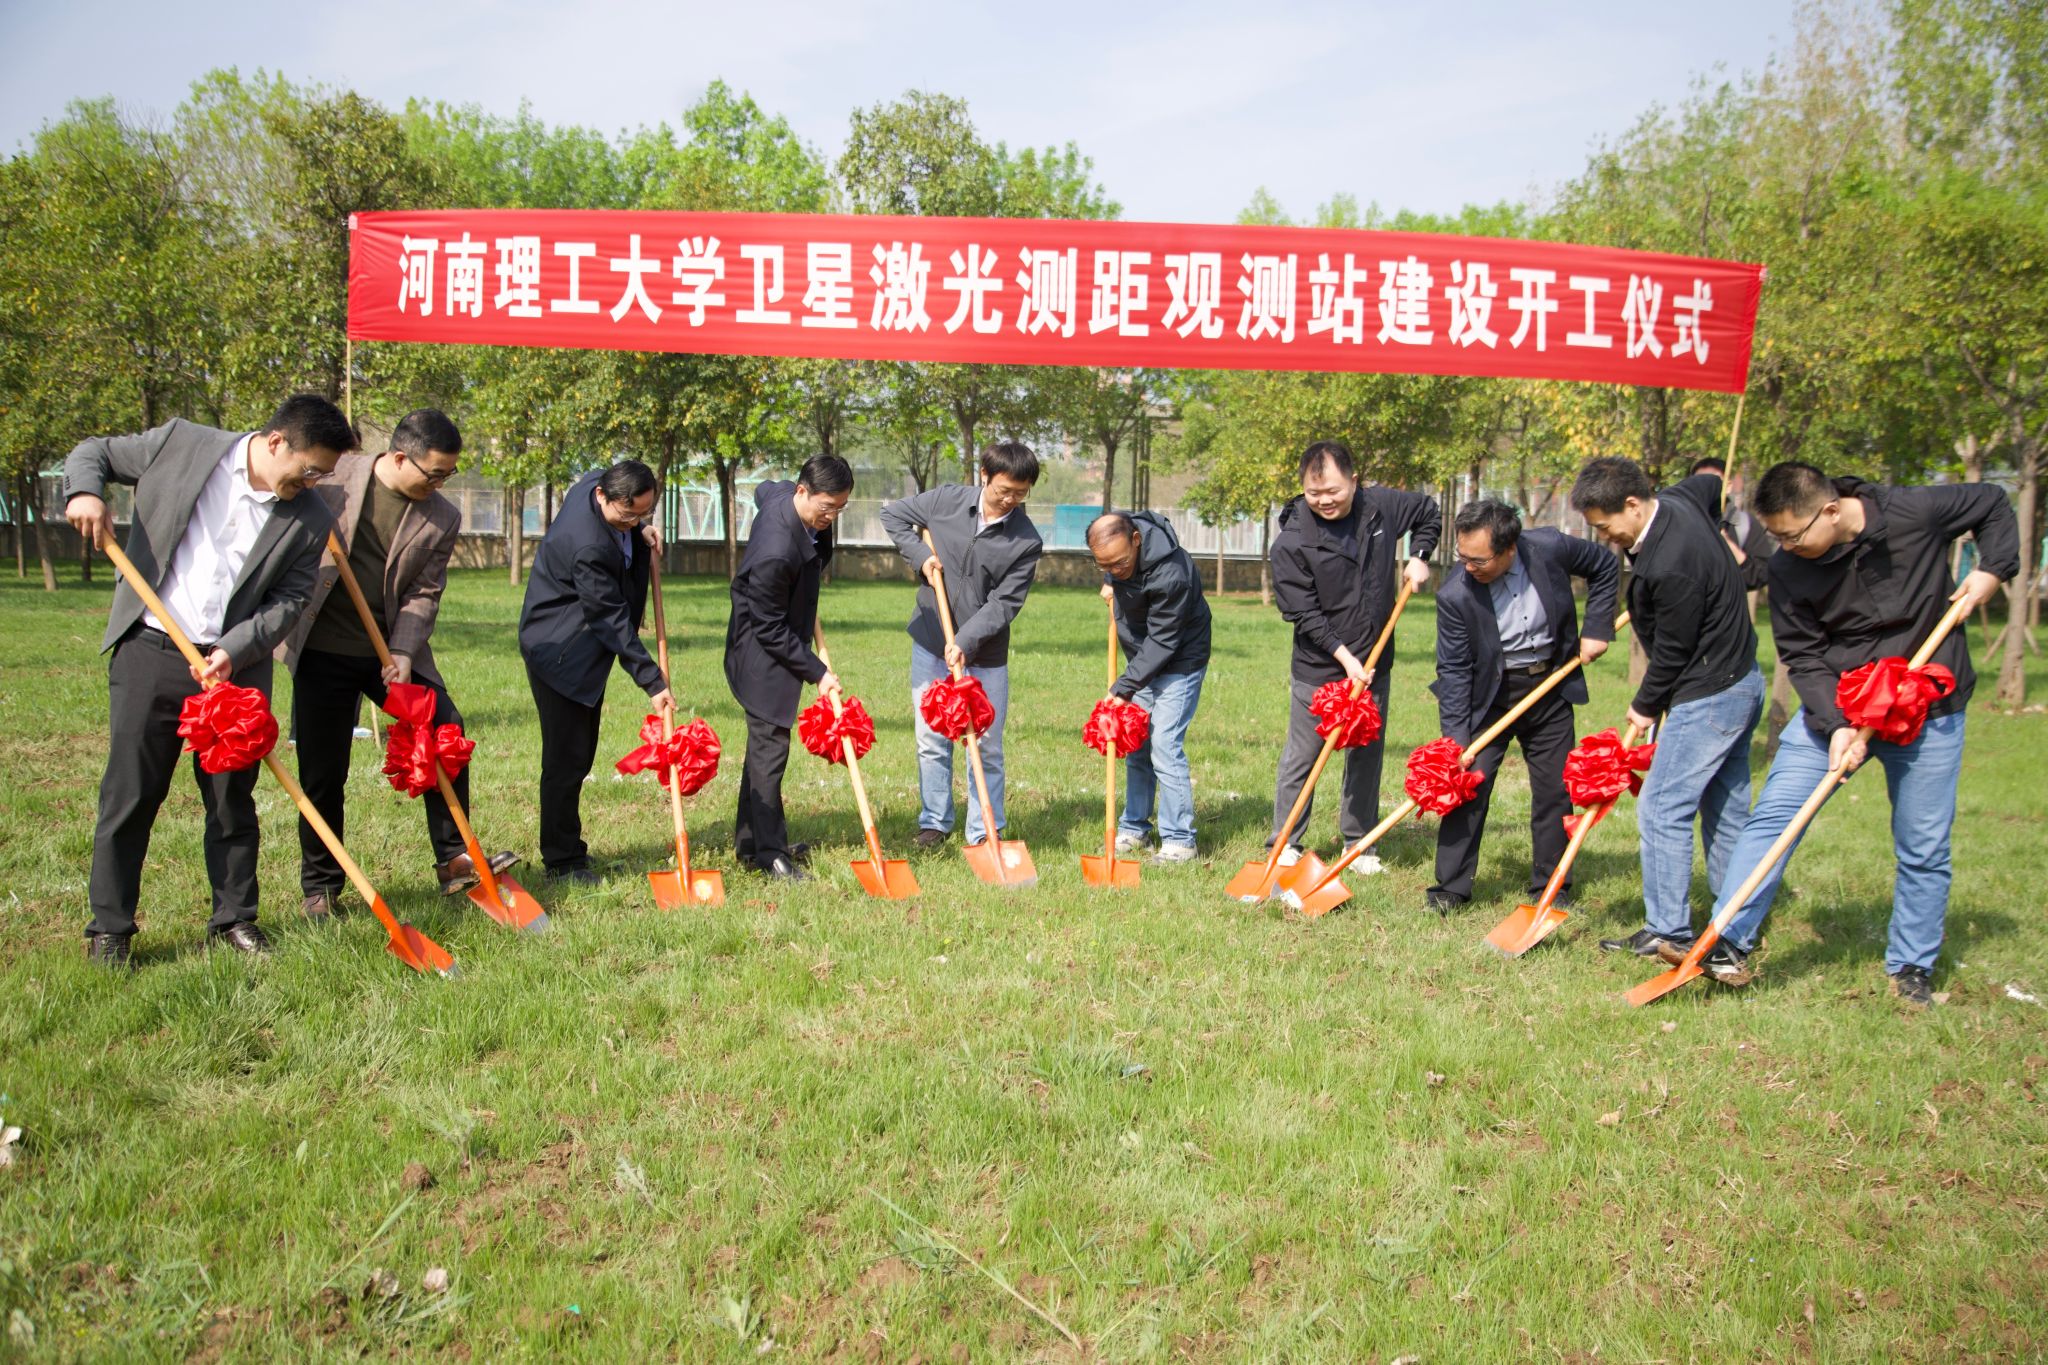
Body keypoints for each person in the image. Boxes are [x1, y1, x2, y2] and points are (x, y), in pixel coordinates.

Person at [1668, 461, 2015, 1006]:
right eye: (1775, 536)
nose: (1783, 547)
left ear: (1831, 510)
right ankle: (1726, 939)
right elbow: (1804, 655)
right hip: (1840, 707)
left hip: (1929, 705)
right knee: (1774, 817)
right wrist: (1834, 725)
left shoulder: (1914, 512)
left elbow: (1992, 501)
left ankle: (1912, 964)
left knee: (1922, 844)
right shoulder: (1788, 568)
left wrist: (1993, 568)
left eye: (1791, 534)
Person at [62, 395, 354, 966]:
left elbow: (292, 598)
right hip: (152, 648)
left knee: (230, 802)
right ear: (276, 443)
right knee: (131, 793)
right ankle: (110, 927)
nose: (315, 481)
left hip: (234, 669)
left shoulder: (311, 515)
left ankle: (234, 919)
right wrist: (86, 491)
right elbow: (92, 452)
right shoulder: (183, 443)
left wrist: (234, 648)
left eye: (323, 473)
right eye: (310, 468)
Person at [280, 409, 517, 920]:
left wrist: (405, 652)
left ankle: (454, 858)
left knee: (445, 731)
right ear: (398, 456)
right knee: (323, 769)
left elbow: (424, 591)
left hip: (387, 653)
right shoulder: (332, 477)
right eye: (433, 473)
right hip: (322, 647)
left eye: (448, 475)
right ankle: (321, 887)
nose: (440, 484)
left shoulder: (441, 516)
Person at [1570, 457, 1763, 958]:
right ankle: (1733, 924)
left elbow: (1674, 651)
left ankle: (1669, 930)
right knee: (1724, 806)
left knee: (1661, 807)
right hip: (1742, 677)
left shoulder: (1669, 564)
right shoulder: (1681, 498)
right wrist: (1718, 509)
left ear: (1633, 504)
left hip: (1711, 693)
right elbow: (1709, 483)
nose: (1606, 536)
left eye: (1606, 525)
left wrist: (1644, 705)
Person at [1427, 499, 1620, 913]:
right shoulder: (1455, 595)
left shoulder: (1549, 547)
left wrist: (1598, 627)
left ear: (1509, 548)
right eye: (1462, 556)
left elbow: (1605, 565)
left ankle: (1552, 887)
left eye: (1478, 559)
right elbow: (1455, 671)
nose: (1468, 567)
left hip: (1549, 685)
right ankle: (1450, 888)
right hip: (1489, 697)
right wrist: (1456, 743)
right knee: (1469, 786)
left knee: (1554, 791)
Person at [1267, 440, 1439, 869]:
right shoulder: (1291, 542)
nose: (1324, 501)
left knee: (1365, 755)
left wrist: (1419, 556)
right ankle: (1285, 840)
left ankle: (1359, 842)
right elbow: (1302, 613)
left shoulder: (1379, 507)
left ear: (1355, 482)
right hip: (1319, 667)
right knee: (1303, 757)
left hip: (1375, 661)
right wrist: (1345, 659)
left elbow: (1428, 512)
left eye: (1334, 491)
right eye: (1314, 493)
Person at [879, 442, 1044, 850]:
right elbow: (893, 514)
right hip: (931, 638)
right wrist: (919, 555)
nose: (1009, 500)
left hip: (985, 654)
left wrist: (966, 642)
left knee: (985, 743)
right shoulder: (947, 499)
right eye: (1003, 489)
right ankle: (934, 822)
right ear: (984, 475)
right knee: (932, 736)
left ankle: (985, 830)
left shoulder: (1025, 541)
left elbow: (1004, 604)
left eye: (1020, 494)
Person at [518, 459, 674, 884]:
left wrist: (638, 531)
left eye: (643, 513)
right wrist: (652, 681)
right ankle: (562, 862)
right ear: (603, 497)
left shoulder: (593, 484)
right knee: (566, 760)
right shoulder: (587, 545)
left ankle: (572, 851)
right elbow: (609, 619)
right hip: (560, 652)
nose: (633, 522)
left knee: (580, 753)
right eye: (627, 515)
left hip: (578, 643)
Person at [722, 455, 851, 880]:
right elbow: (769, 627)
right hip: (760, 650)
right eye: (825, 508)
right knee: (770, 747)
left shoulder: (781, 495)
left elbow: (765, 488)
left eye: (838, 509)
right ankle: (771, 854)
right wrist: (817, 671)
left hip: (779, 630)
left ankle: (748, 842)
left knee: (763, 749)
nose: (829, 518)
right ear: (802, 492)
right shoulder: (776, 550)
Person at [1087, 510, 1213, 864]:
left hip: (1179, 659)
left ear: (1137, 541)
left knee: (1164, 744)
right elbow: (1118, 563)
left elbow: (1164, 641)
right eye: (1104, 565)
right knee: (1136, 742)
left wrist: (1123, 687)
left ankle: (1179, 840)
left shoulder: (1172, 573)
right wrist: (1115, 579)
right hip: (1142, 657)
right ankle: (1134, 828)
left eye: (1120, 563)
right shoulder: (1121, 547)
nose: (1114, 569)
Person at [1690, 455, 1774, 592]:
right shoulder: (1680, 521)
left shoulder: (1744, 524)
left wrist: (1733, 550)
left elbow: (1762, 575)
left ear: (1728, 486)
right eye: (1697, 482)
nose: (1703, 487)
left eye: (1712, 481)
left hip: (1729, 609)